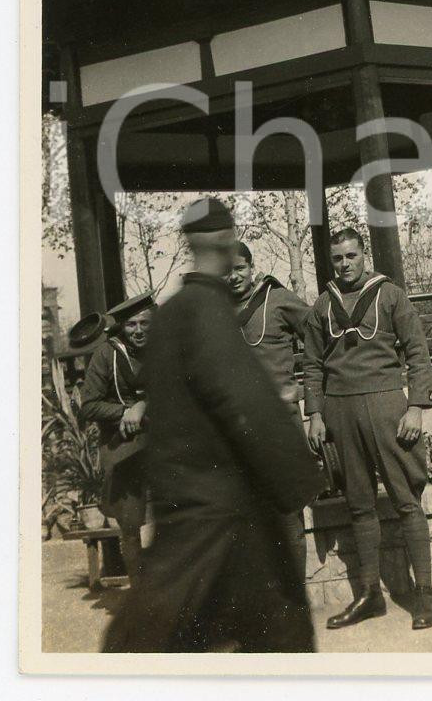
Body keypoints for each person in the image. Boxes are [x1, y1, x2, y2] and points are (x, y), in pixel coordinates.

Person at [103, 197, 325, 654]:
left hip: (179, 504)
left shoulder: (168, 316)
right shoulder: (208, 312)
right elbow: (247, 406)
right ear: (226, 242)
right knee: (282, 633)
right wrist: (301, 479)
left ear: (188, 242)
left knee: (167, 628)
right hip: (222, 514)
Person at [303, 227, 432, 631]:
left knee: (406, 500)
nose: (345, 265)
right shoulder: (322, 305)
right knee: (359, 504)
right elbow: (312, 364)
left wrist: (415, 406)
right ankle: (370, 595)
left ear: (364, 256)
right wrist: (314, 413)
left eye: (352, 256)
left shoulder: (391, 295)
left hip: (386, 405)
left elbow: (417, 351)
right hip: (340, 410)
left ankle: (424, 595)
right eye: (338, 259)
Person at [227, 241, 311, 578]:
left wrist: (307, 389)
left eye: (239, 268)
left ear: (251, 267)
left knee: (288, 510)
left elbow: (320, 334)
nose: (233, 277)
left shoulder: (276, 299)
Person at [79, 292, 155, 582]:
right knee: (131, 526)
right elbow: (89, 405)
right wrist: (125, 412)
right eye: (132, 325)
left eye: (145, 324)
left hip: (164, 445)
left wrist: (143, 406)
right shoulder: (106, 354)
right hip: (124, 449)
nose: (138, 331)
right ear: (122, 327)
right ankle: (141, 598)